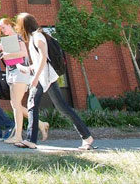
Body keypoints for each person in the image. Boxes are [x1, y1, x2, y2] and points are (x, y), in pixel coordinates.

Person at [14, 12, 96, 150]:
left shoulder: (38, 37)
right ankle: (31, 140)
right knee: (36, 105)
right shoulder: (35, 37)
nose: (18, 28)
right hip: (43, 77)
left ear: (24, 26)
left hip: (46, 78)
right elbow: (40, 61)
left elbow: (44, 58)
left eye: (19, 25)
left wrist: (35, 77)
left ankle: (87, 137)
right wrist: (27, 69)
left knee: (60, 108)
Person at [0, 17, 49, 144]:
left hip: (20, 71)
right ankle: (41, 124)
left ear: (9, 25)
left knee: (16, 104)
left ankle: (18, 136)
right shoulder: (7, 40)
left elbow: (24, 53)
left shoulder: (18, 37)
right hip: (10, 72)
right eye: (1, 29)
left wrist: (8, 55)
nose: (2, 30)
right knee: (15, 105)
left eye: (3, 27)